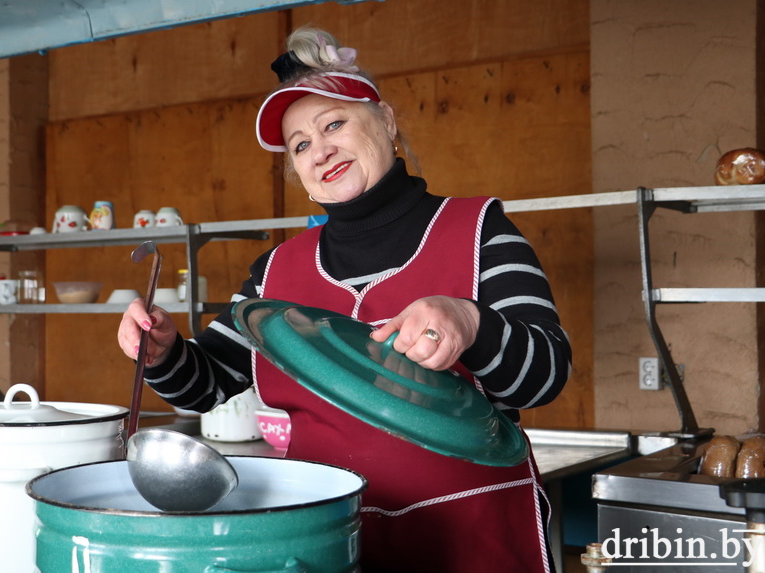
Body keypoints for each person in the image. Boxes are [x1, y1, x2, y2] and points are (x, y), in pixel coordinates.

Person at [118, 26, 571, 573]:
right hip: (329, 538)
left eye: (334, 123)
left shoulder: (479, 231)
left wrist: (471, 321)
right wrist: (164, 352)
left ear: (386, 121)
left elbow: (547, 374)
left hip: (472, 535)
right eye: (301, 144)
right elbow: (207, 385)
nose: (321, 149)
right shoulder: (276, 270)